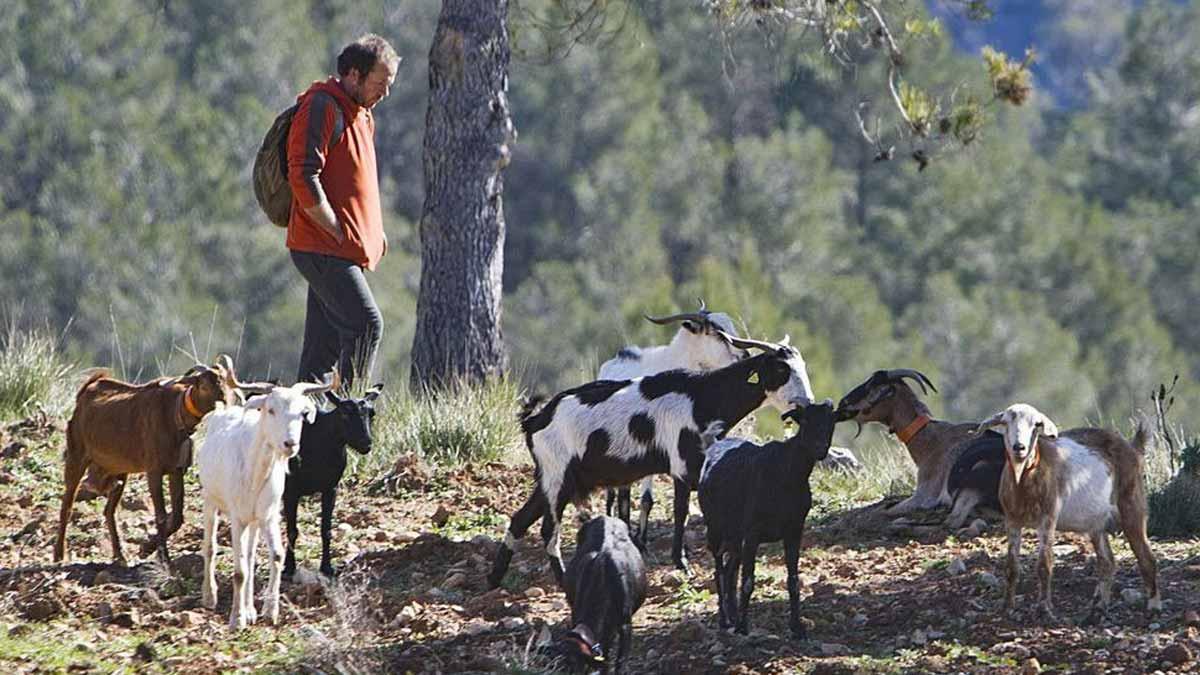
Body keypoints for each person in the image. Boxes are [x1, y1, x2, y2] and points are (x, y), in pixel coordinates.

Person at [287, 34, 399, 388]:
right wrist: (336, 229)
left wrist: (372, 234)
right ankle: (348, 416)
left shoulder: (362, 115)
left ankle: (314, 438)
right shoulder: (322, 105)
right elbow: (303, 174)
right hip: (322, 247)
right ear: (353, 74)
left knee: (321, 354)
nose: (385, 93)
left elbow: (354, 179)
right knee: (367, 325)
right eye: (380, 83)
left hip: (342, 251)